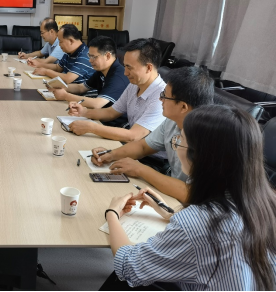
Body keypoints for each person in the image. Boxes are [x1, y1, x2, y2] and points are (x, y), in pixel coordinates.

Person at [102, 105, 276, 291]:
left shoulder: (199, 223)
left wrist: (112, 214)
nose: (176, 145)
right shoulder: (267, 202)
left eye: (180, 140)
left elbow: (129, 265)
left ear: (200, 156)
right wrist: (170, 213)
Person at [91, 67, 214, 203]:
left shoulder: (210, 139)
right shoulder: (171, 122)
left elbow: (191, 193)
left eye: (165, 96)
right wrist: (111, 154)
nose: (160, 99)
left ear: (183, 107)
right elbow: (143, 147)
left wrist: (140, 169)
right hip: (172, 195)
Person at [68, 38, 165, 143]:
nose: (125, 73)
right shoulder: (134, 85)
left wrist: (92, 128)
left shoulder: (161, 96)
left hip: (146, 150)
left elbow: (134, 136)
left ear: (149, 68)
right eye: (125, 66)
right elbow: (111, 112)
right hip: (134, 145)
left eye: (129, 68)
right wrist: (85, 112)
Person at [50, 36, 129, 110]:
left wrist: (65, 96)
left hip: (113, 119)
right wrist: (59, 87)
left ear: (108, 56)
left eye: (93, 57)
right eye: (89, 56)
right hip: (101, 114)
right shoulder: (101, 71)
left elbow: (97, 104)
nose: (90, 60)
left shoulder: (118, 76)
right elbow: (81, 88)